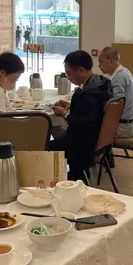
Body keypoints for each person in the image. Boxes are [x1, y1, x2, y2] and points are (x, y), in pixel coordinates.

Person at [49, 50, 113, 179]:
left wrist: (64, 114)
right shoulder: (102, 84)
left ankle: (55, 179)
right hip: (100, 142)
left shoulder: (87, 94)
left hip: (82, 145)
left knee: (44, 145)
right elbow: (92, 112)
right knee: (58, 135)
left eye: (69, 73)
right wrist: (72, 105)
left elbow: (83, 125)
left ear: (80, 70)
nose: (68, 77)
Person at [98, 46, 133, 138]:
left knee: (89, 131)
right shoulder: (125, 71)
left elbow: (113, 108)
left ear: (111, 60)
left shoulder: (118, 78)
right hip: (131, 124)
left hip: (124, 128)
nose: (99, 66)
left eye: (101, 62)